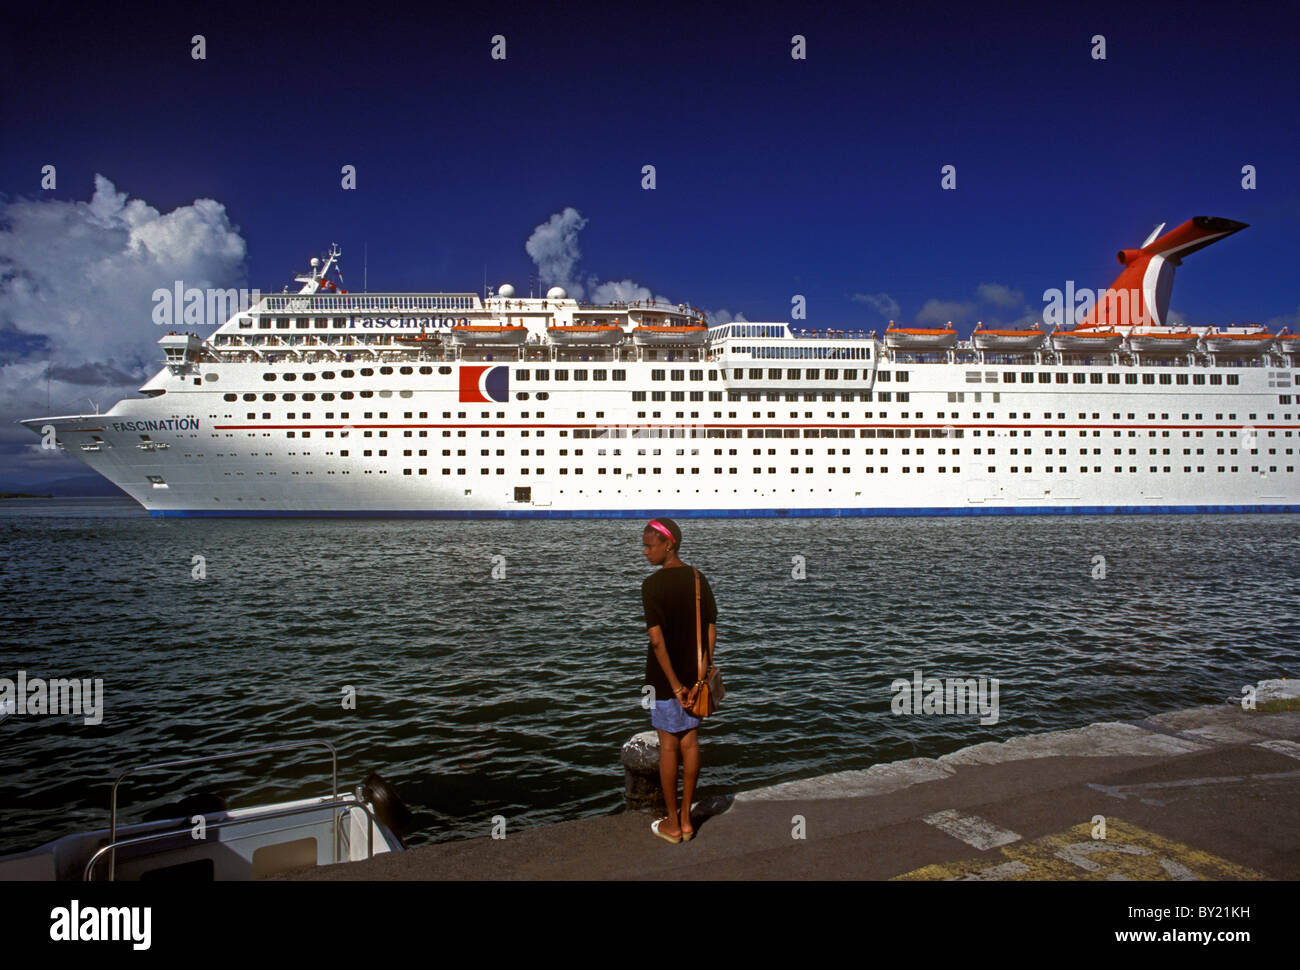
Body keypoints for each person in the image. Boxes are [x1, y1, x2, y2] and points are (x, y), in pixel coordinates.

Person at [640, 517, 717, 844]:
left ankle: (673, 825)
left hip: (665, 677)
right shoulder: (699, 579)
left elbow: (657, 641)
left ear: (668, 544)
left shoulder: (651, 585)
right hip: (695, 676)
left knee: (669, 745)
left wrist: (674, 685)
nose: (645, 552)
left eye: (649, 545)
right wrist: (700, 675)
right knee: (690, 741)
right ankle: (688, 820)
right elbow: (711, 629)